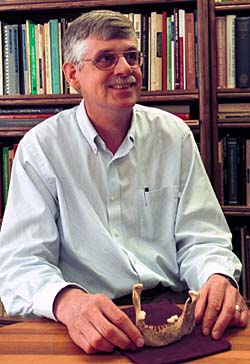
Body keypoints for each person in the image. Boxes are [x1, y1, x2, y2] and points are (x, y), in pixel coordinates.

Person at [0, 9, 248, 354]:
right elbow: (21, 263)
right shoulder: (40, 150)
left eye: (132, 56)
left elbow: (201, 236)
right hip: (86, 318)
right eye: (105, 59)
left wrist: (217, 277)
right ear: (73, 74)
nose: (125, 69)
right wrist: (68, 303)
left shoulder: (173, 135)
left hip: (174, 312)